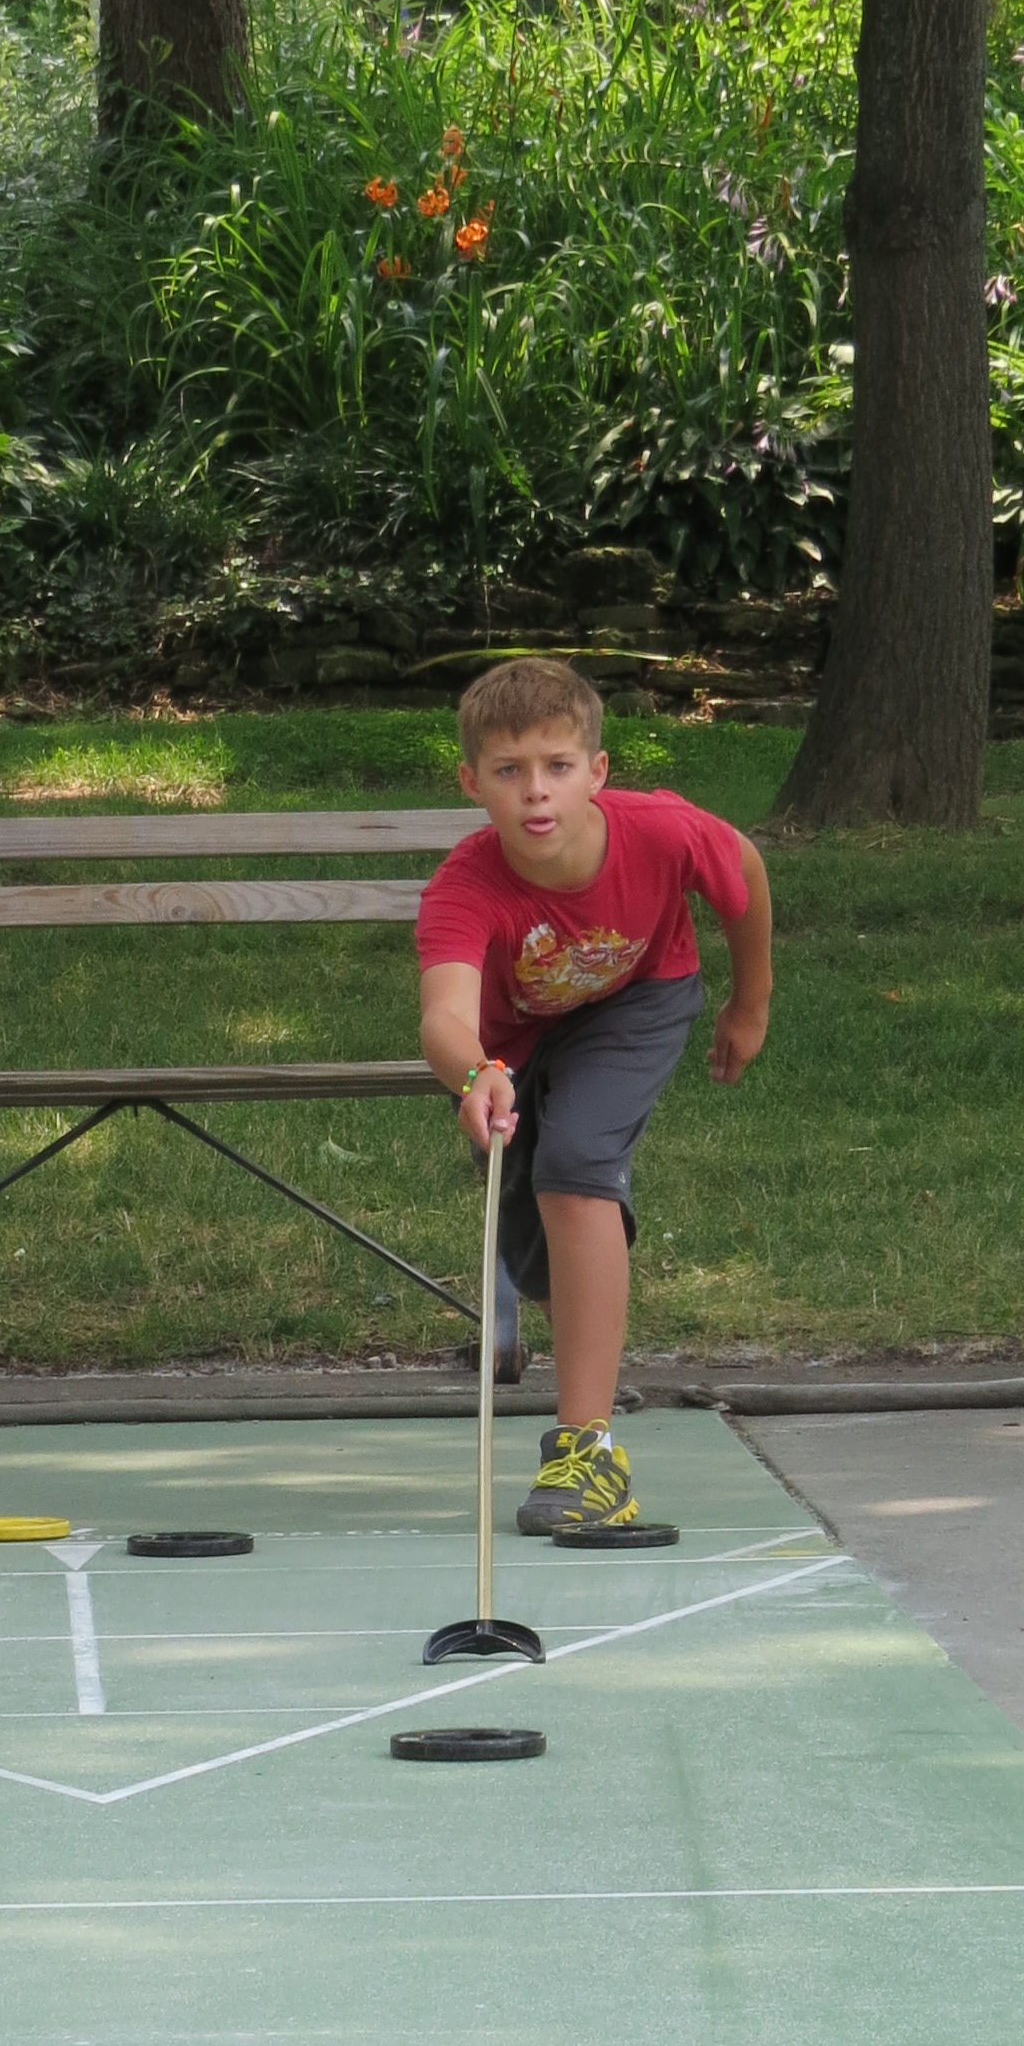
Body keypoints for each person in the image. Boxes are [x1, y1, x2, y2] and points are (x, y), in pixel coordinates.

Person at [416, 658, 773, 1536]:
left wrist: (750, 1002)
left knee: (577, 1164)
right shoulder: (465, 886)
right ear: (472, 783)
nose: (536, 791)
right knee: (536, 1244)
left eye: (558, 766)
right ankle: (590, 1348)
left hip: (639, 999)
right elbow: (444, 1016)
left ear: (597, 772)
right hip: (516, 1041)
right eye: (509, 770)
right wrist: (475, 1072)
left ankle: (589, 1453)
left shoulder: (662, 832)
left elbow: (745, 874)